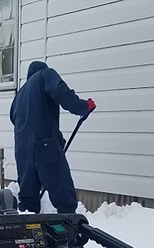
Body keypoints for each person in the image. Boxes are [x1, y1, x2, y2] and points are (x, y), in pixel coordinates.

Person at [10, 61, 95, 214]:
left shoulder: (19, 95)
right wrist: (82, 107)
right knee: (62, 193)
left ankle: (27, 231)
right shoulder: (45, 75)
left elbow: (15, 118)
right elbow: (59, 90)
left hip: (22, 150)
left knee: (28, 200)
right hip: (44, 144)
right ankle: (71, 229)